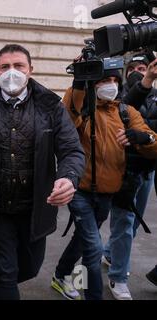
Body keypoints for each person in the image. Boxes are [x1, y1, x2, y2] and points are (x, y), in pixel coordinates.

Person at [0, 44, 85, 300]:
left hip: (35, 208)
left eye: (18, 66)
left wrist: (68, 177)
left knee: (28, 269)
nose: (12, 72)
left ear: (30, 70)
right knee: (5, 272)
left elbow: (72, 151)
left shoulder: (50, 106)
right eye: (4, 67)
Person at [53, 66, 157, 300]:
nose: (110, 84)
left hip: (108, 193)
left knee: (82, 240)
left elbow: (153, 142)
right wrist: (80, 80)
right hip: (79, 190)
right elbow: (67, 113)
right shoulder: (83, 111)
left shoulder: (126, 112)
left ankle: (60, 274)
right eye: (103, 80)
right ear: (93, 83)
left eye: (113, 80)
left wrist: (144, 138)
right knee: (93, 248)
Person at [102, 55, 157, 300]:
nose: (137, 72)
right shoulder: (116, 95)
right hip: (124, 170)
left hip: (147, 171)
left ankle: (110, 254)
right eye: (133, 69)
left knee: (132, 225)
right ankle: (118, 277)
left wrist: (145, 134)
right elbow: (125, 107)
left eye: (143, 68)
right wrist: (144, 82)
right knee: (123, 226)